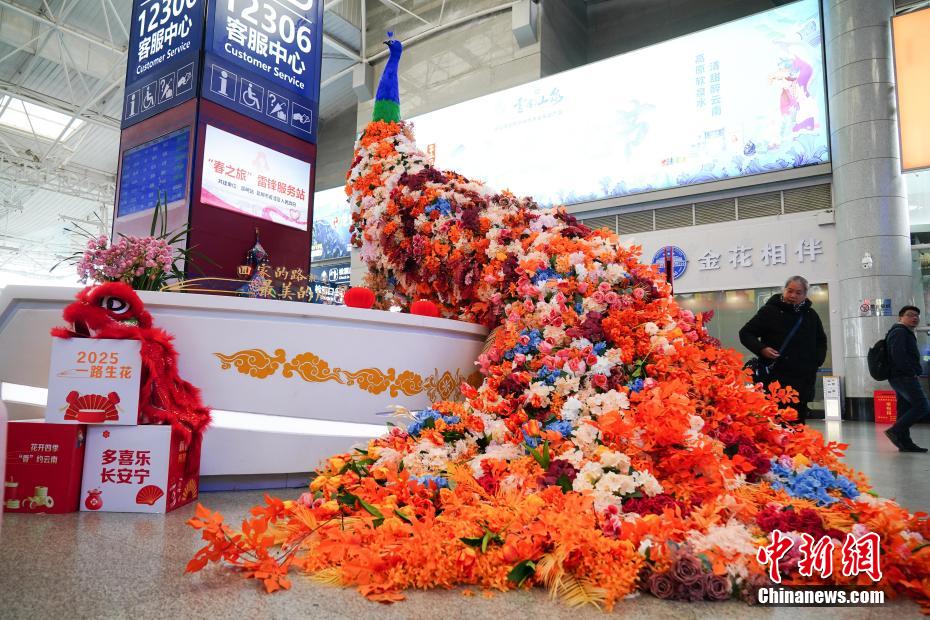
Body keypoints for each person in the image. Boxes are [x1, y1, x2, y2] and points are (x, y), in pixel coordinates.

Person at [739, 276, 827, 424]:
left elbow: (821, 341)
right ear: (784, 290)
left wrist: (816, 362)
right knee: (774, 424)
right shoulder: (770, 311)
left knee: (797, 423)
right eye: (790, 291)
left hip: (803, 380)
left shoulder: (810, 315)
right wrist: (762, 349)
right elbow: (745, 333)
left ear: (805, 295)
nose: (793, 295)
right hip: (775, 379)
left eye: (798, 293)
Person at [884, 306, 929, 453]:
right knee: (922, 406)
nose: (914, 318)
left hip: (900, 376)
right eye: (910, 315)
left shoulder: (904, 332)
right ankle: (895, 430)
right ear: (900, 317)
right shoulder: (899, 332)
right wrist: (911, 371)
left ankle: (905, 443)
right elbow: (898, 355)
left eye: (917, 315)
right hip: (904, 376)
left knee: (904, 410)